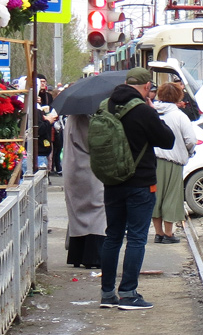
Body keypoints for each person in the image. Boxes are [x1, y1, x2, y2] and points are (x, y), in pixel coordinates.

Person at [98, 68, 176, 310]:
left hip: (111, 180)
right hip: (140, 182)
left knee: (112, 236)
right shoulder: (143, 110)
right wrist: (153, 113)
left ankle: (107, 293)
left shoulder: (105, 106)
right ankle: (129, 293)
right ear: (145, 87)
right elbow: (167, 140)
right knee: (136, 238)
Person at [152, 82, 197, 244]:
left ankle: (158, 233)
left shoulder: (152, 112)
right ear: (178, 96)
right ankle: (168, 233)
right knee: (171, 196)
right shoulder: (179, 116)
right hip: (173, 161)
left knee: (155, 196)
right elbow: (191, 140)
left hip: (153, 160)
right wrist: (189, 152)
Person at [63, 114, 106, 268]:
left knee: (77, 211)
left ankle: (78, 253)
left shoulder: (72, 119)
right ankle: (92, 256)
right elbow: (93, 143)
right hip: (86, 169)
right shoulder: (83, 120)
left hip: (73, 167)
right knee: (96, 209)